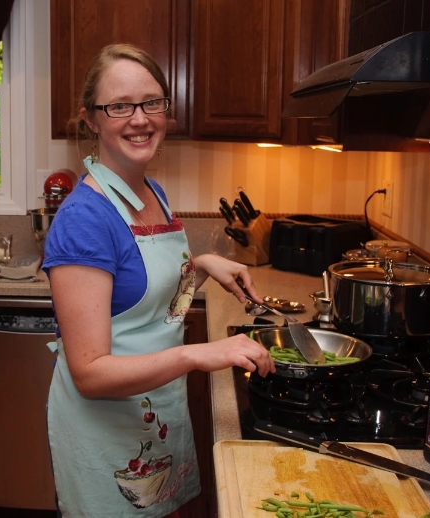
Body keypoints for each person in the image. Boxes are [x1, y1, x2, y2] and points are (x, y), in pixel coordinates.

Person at [41, 43, 275, 518]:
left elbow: (154, 304)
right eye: (119, 106)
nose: (140, 118)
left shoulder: (151, 191)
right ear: (91, 119)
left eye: (152, 103)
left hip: (154, 418)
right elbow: (88, 373)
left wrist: (201, 265)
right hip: (108, 433)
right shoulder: (85, 218)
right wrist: (198, 354)